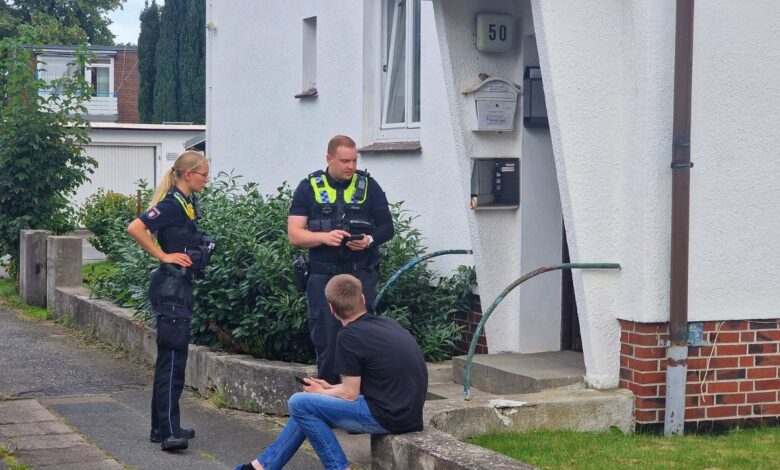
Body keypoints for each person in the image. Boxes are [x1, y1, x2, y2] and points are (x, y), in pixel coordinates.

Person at [234, 274, 428, 470]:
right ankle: (261, 466)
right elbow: (364, 384)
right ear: (362, 299)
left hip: (389, 417)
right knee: (307, 407)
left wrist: (322, 393)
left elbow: (350, 394)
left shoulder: (348, 336)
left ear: (331, 309)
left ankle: (339, 467)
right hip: (406, 412)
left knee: (299, 403)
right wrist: (330, 388)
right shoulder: (386, 323)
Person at [288, 135, 395, 385]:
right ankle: (329, 402)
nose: (351, 166)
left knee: (364, 337)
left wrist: (369, 240)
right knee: (328, 341)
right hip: (323, 277)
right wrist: (325, 237)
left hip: (360, 276)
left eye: (354, 160)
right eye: (345, 161)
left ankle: (362, 402)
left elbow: (387, 228)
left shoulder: (369, 186)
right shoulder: (309, 187)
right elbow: (295, 235)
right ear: (329, 159)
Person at [127, 150, 215, 451]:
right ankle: (168, 434)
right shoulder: (172, 205)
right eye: (204, 174)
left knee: (173, 359)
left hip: (179, 286)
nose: (207, 179)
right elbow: (136, 228)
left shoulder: (186, 203)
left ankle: (163, 426)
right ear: (188, 174)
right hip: (170, 288)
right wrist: (163, 255)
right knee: (173, 361)